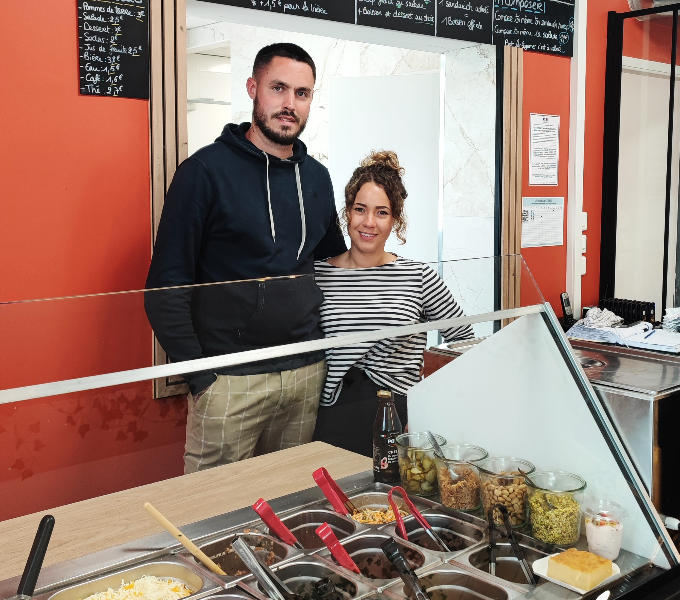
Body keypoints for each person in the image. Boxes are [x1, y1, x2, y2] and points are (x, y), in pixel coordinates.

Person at [145, 43, 346, 473]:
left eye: (302, 93)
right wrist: (203, 379)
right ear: (254, 88)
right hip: (230, 379)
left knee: (290, 506)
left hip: (305, 373)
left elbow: (333, 261)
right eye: (279, 88)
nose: (289, 104)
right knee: (211, 516)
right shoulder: (203, 172)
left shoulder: (316, 177)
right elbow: (165, 287)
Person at [311, 150, 474, 457]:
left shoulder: (418, 275)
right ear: (347, 212)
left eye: (382, 212)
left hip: (398, 415)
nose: (369, 222)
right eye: (360, 209)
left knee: (392, 501)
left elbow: (465, 341)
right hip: (333, 415)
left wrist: (430, 407)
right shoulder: (319, 274)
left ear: (395, 220)